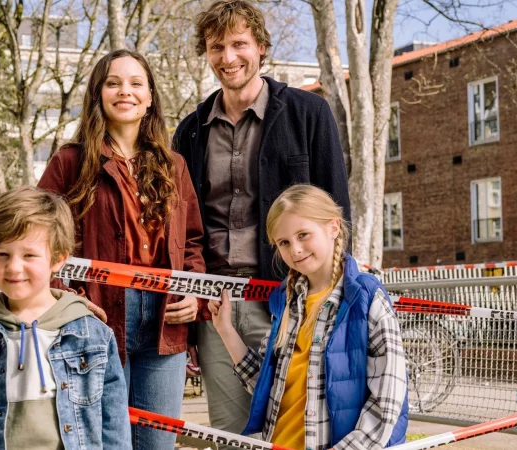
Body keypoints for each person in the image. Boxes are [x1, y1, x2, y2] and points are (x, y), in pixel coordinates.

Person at [172, 0, 352, 440]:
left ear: (262, 48)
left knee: (300, 427)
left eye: (239, 44)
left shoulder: (308, 113)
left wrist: (337, 295)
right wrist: (188, 298)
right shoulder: (189, 131)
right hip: (218, 306)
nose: (228, 57)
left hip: (293, 297)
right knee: (232, 435)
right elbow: (181, 229)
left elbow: (337, 209)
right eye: (217, 47)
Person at [37, 49, 205, 449]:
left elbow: (194, 241)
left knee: (157, 443)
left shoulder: (174, 165)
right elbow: (40, 236)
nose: (124, 91)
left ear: (149, 97)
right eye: (113, 83)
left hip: (166, 320)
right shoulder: (70, 162)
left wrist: (195, 291)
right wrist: (68, 297)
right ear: (98, 94)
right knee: (103, 442)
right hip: (97, 314)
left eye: (135, 83)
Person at [0, 186, 131, 450]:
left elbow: (114, 428)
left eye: (29, 255)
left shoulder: (95, 337)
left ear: (57, 259)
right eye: (2, 254)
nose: (13, 267)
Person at [208, 185, 408, 449]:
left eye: (303, 235)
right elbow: (268, 387)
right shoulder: (286, 301)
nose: (296, 250)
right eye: (284, 243)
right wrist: (225, 329)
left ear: (333, 227)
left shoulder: (367, 299)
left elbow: (386, 406)